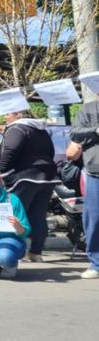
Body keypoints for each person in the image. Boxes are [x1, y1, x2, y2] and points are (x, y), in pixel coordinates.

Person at [0, 110, 59, 262]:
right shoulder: (41, 130)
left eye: (8, 113)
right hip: (47, 178)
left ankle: (16, 252)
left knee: (16, 216)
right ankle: (36, 253)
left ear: (18, 115)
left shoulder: (17, 128)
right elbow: (50, 152)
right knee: (39, 216)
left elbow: (10, 150)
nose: (5, 116)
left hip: (24, 178)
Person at [71, 99, 99, 278]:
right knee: (94, 219)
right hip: (95, 172)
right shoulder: (88, 109)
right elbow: (75, 134)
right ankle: (96, 263)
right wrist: (95, 130)